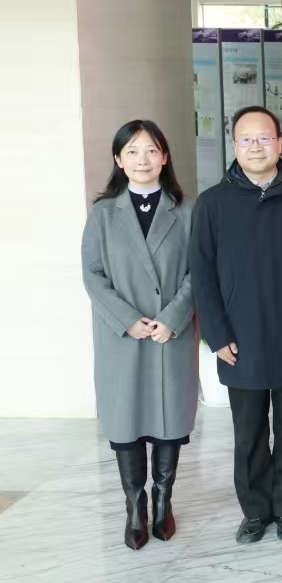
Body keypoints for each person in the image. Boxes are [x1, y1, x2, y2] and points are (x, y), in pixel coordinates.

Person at [190, 106, 282, 544]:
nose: (256, 147)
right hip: (238, 339)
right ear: (234, 145)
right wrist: (216, 334)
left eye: (265, 138)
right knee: (248, 434)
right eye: (246, 139)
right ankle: (255, 512)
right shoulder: (213, 203)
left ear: (280, 143)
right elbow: (201, 274)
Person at [82, 121, 197, 550]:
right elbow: (92, 274)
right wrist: (127, 318)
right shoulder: (103, 213)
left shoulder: (186, 211)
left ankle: (163, 500)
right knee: (126, 419)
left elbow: (199, 270)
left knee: (169, 418)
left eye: (151, 150)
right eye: (132, 151)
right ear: (118, 159)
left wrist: (173, 316)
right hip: (122, 336)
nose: (142, 159)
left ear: (164, 157)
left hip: (170, 332)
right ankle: (135, 505)